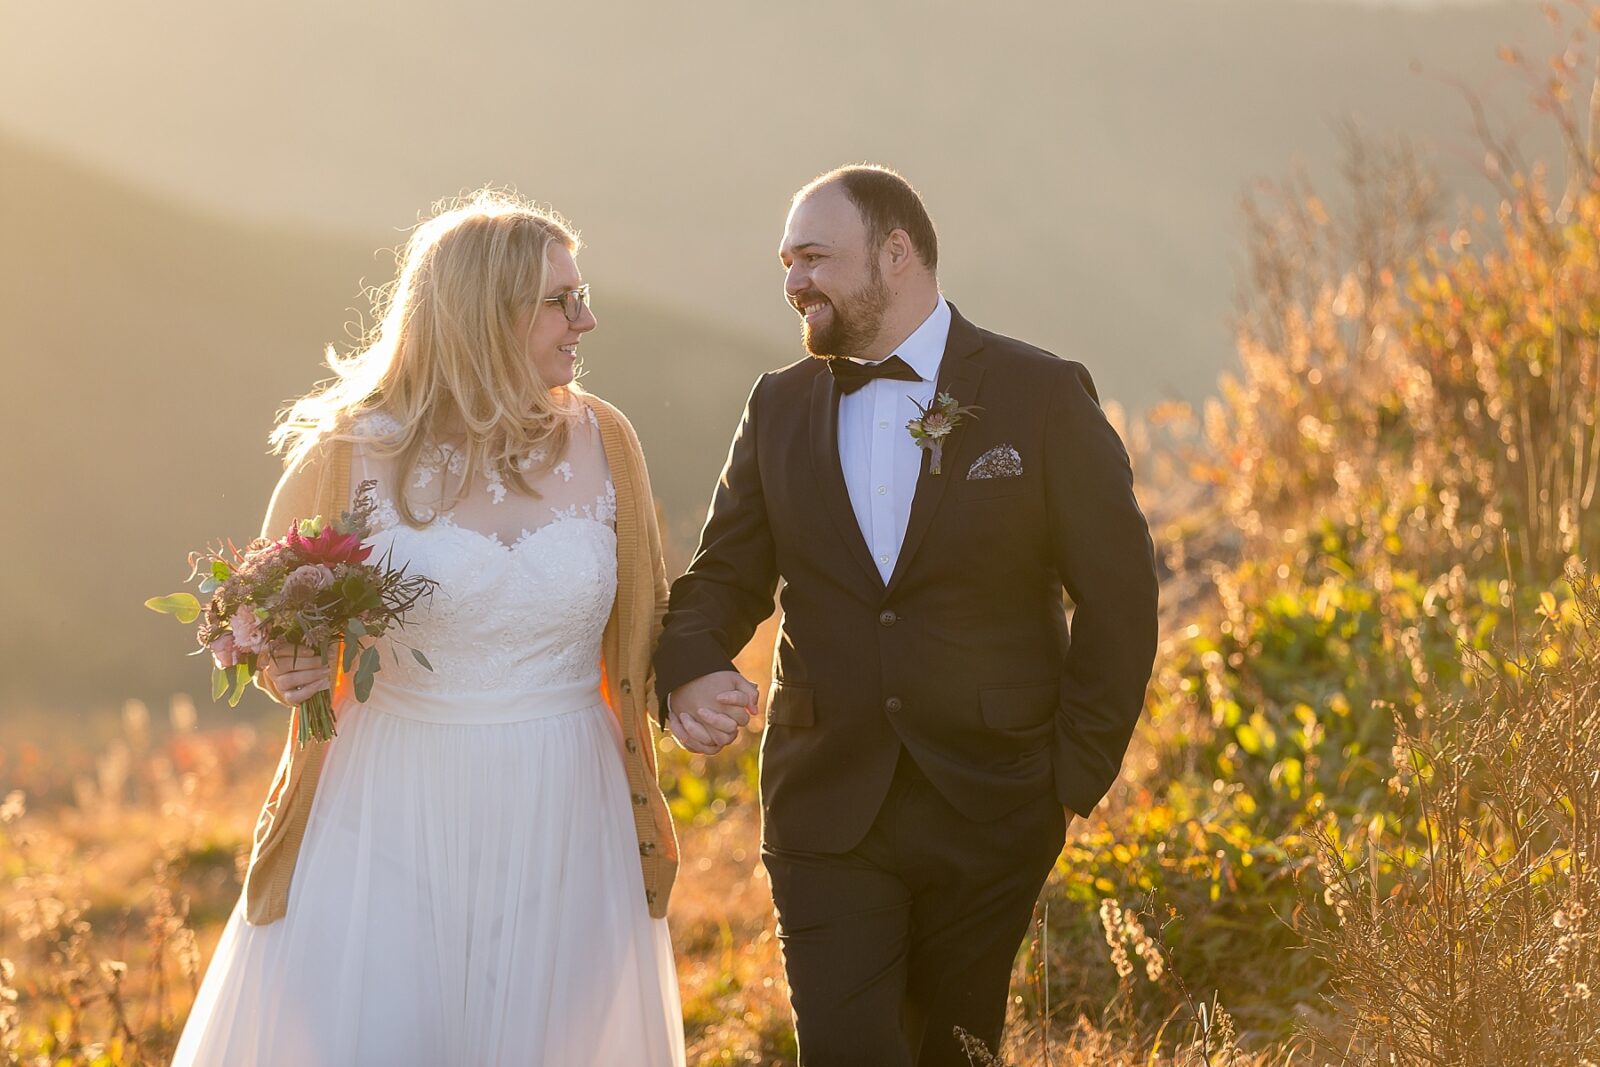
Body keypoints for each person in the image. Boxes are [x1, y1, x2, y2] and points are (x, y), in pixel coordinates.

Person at [173, 190, 693, 1066]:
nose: (588, 319)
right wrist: (288, 667)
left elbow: (652, 617)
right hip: (388, 808)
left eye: (583, 293)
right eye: (562, 301)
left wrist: (702, 678)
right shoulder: (348, 451)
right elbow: (271, 613)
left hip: (568, 807)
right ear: (486, 316)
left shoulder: (610, 442)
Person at [654, 165, 1161, 1065]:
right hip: (825, 804)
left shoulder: (1039, 396)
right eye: (785, 261)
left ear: (897, 253)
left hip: (996, 799)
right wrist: (688, 661)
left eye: (813, 257)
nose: (792, 282)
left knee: (955, 1050)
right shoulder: (779, 407)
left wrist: (1070, 775)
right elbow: (725, 573)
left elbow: (1120, 595)